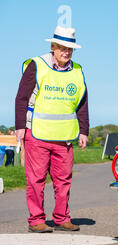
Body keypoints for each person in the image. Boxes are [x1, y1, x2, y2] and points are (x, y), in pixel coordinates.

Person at [15, 26, 89, 233]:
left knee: (63, 180)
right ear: (53, 47)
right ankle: (36, 220)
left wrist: (84, 130)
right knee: (36, 179)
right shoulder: (36, 65)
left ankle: (61, 218)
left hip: (64, 136)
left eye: (70, 49)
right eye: (62, 48)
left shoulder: (77, 71)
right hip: (37, 133)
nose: (66, 52)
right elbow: (21, 98)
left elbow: (82, 103)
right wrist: (20, 126)